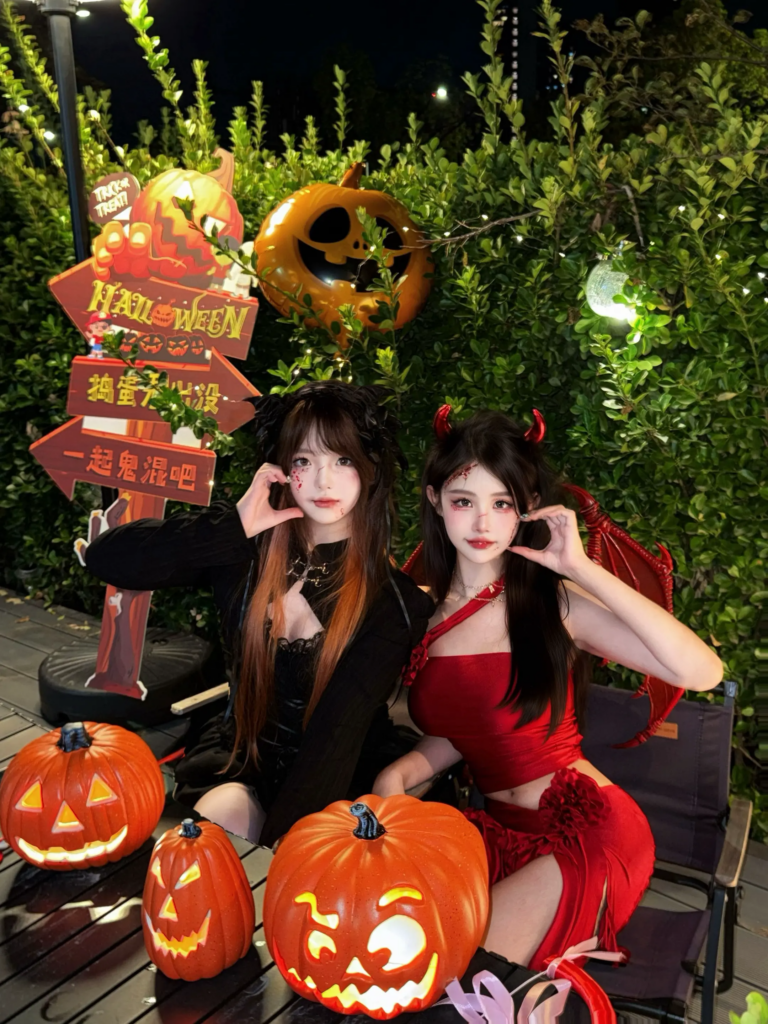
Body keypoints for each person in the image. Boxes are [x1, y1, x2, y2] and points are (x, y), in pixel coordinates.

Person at [373, 408, 722, 970]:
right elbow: (469, 732)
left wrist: (579, 568)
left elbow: (701, 672)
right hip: (499, 838)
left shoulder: (553, 605)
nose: (482, 521)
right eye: (464, 501)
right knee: (414, 956)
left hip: (589, 834)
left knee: (470, 977)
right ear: (435, 500)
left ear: (528, 506)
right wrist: (397, 776)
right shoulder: (422, 612)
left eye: (502, 503)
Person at [84, 381, 433, 848]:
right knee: (207, 839)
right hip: (240, 758)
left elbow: (332, 746)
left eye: (343, 461)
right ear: (282, 469)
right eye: (304, 461)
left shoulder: (392, 603)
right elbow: (108, 559)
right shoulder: (243, 551)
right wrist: (234, 525)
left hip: (336, 778)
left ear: (370, 470)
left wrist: (280, 855)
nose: (324, 482)